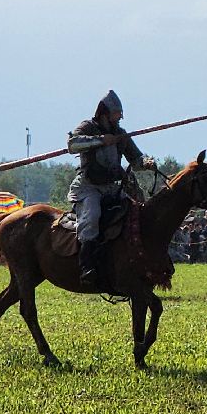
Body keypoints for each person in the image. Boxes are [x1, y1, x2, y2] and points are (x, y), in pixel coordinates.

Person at [66, 90, 155, 287]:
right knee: (92, 217)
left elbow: (136, 159)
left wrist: (146, 163)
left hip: (113, 188)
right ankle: (86, 266)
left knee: (135, 213)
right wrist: (100, 140)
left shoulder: (121, 134)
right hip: (89, 187)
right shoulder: (87, 127)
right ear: (105, 113)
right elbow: (72, 145)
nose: (119, 117)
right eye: (116, 113)